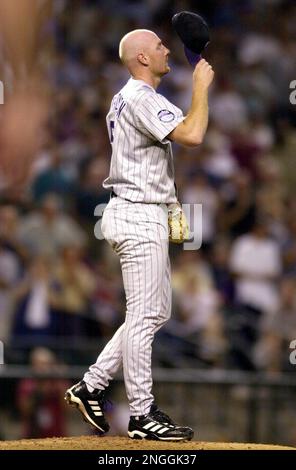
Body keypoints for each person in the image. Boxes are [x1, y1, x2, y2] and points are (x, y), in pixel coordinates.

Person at [65, 29, 214, 441]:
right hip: (137, 214)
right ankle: (141, 414)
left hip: (140, 211)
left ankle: (92, 385)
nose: (167, 49)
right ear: (142, 58)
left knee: (152, 313)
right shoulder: (139, 96)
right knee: (146, 315)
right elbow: (193, 135)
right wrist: (201, 87)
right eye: (160, 46)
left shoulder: (128, 97)